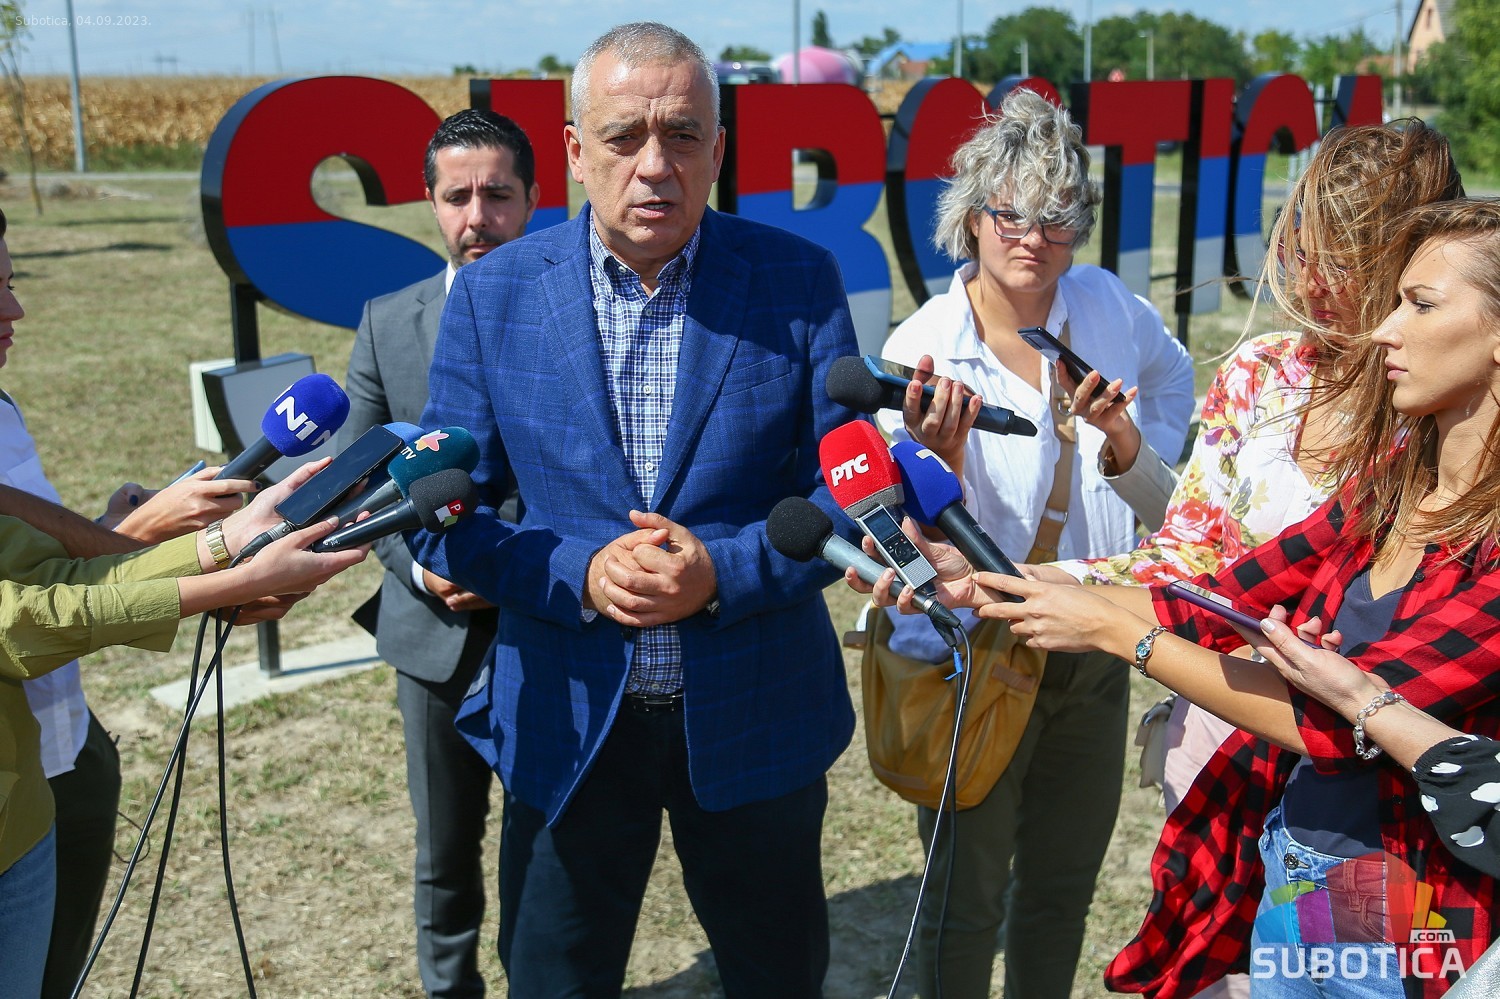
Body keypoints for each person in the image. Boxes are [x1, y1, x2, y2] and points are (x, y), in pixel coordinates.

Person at [870, 199, 1500, 997]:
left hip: (1415, 914)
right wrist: (985, 580)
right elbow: (1216, 596)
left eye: (1421, 305)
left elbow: (1341, 723)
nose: (1385, 330)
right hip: (1303, 868)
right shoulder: (1389, 486)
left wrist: (1117, 634)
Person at [409, 21, 860, 998]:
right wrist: (577, 571)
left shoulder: (799, 282)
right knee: (554, 980)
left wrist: (721, 572)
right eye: (624, 137)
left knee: (779, 978)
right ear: (576, 151)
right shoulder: (492, 296)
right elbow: (441, 509)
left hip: (757, 712)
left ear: (718, 149)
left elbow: (852, 494)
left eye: (683, 135)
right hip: (565, 718)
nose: (655, 165)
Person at [1051, 123, 1463, 854]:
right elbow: (1187, 554)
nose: (1313, 285)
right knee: (1206, 929)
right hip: (1214, 732)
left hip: (1361, 782)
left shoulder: (1441, 413)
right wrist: (1026, 579)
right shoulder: (1261, 371)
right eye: (1302, 251)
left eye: (1348, 261)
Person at [874, 87, 1195, 999]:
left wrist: (1131, 446)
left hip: (1094, 642)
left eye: (1057, 217)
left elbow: (1174, 381)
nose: (1032, 237)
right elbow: (903, 546)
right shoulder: (923, 348)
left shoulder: (1106, 305)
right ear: (972, 217)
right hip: (977, 657)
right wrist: (936, 465)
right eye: (1009, 213)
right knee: (964, 900)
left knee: (1061, 889)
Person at [0, 204, 282, 998]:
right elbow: (28, 613)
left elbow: (33, 565)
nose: (15, 309)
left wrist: (122, 531)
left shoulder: (4, 410)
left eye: (11, 281)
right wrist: (197, 555)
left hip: (60, 759)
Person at [0, 453, 369, 999]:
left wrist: (225, 540)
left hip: (19, 822)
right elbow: (20, 620)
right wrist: (237, 581)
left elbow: (47, 580)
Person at [339, 107, 538, 999]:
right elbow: (357, 481)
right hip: (431, 635)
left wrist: (504, 563)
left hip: (544, 624)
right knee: (445, 851)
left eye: (497, 194)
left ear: (533, 198)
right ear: (430, 202)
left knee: (545, 844)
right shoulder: (388, 323)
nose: (477, 217)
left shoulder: (584, 315)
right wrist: (424, 567)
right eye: (457, 196)